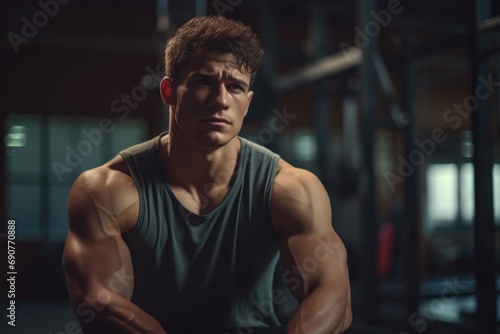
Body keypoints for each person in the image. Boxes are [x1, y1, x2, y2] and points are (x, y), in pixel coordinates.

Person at [63, 15, 386, 334]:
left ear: (247, 103)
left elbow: (333, 295)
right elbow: (97, 300)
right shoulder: (108, 189)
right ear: (169, 92)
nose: (220, 100)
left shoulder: (289, 187)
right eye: (203, 82)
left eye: (234, 87)